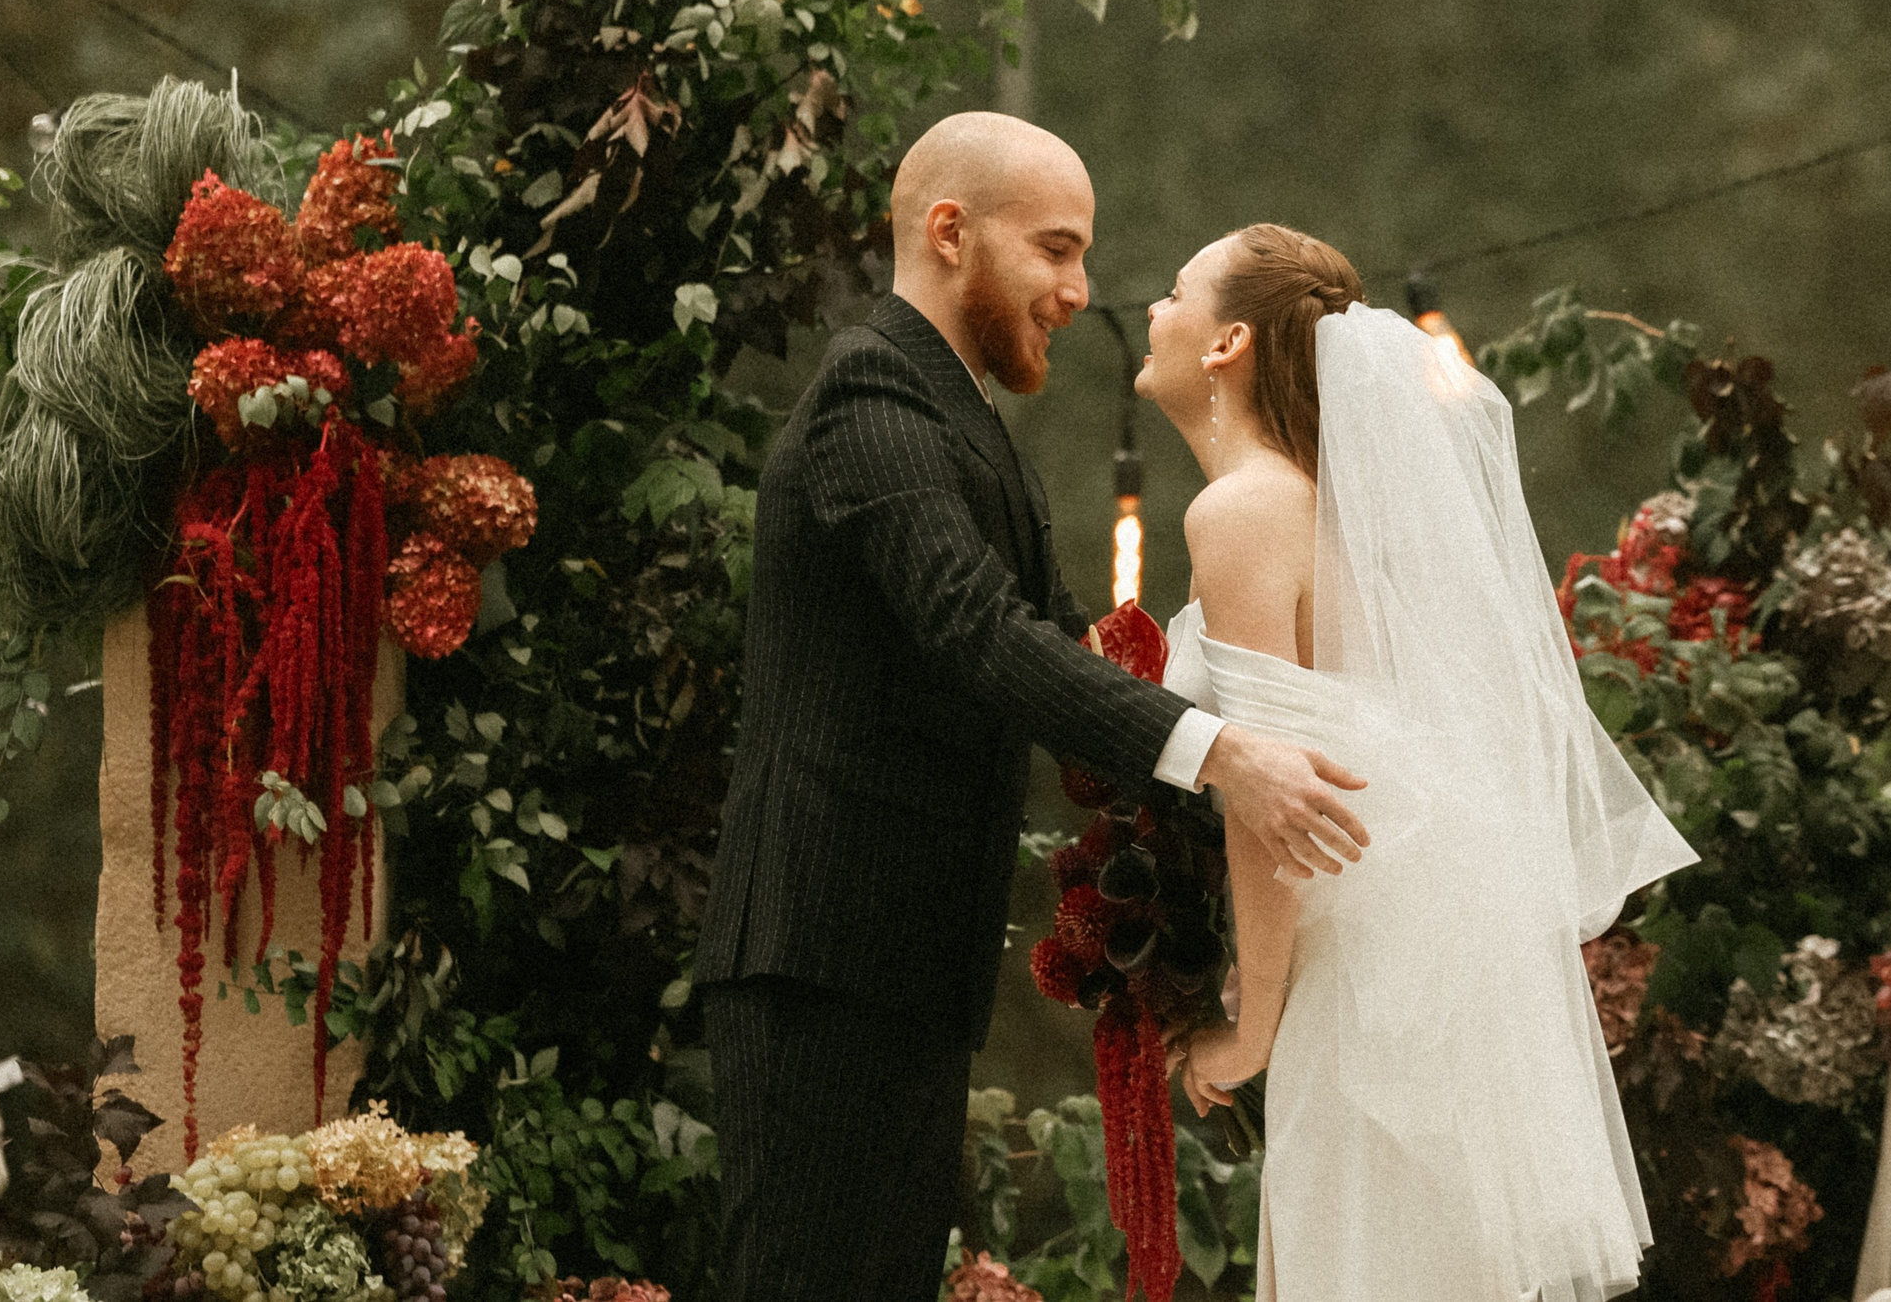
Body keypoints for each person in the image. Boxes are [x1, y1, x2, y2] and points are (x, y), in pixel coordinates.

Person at [691, 117, 1377, 1302]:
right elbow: (976, 628)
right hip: (822, 953)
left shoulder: (959, 417)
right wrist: (1225, 755)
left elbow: (1069, 647)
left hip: (901, 961)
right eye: (1056, 251)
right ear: (951, 233)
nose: (1080, 291)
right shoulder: (872, 390)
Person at [1140, 224, 1698, 1302]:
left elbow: (1278, 802)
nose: (1155, 312)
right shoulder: (1341, 522)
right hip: (1420, 969)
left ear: (1227, 344)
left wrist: (1248, 1030)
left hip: (1363, 991)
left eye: (1174, 292)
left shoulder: (1244, 509)